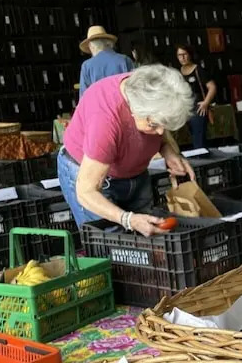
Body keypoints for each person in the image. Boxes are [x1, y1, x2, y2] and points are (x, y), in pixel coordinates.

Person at [57, 65, 196, 236]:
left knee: (149, 234)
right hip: (91, 179)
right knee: (113, 242)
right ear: (134, 111)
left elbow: (160, 123)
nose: (161, 132)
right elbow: (86, 191)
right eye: (154, 125)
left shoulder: (149, 86)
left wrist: (168, 150)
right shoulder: (105, 120)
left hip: (134, 171)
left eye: (164, 125)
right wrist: (128, 219)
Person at [175, 44, 217, 149]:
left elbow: (212, 87)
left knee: (199, 140)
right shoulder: (178, 72)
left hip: (197, 108)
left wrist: (206, 102)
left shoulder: (198, 70)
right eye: (179, 55)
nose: (182, 58)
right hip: (184, 108)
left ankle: (202, 157)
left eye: (184, 54)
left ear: (190, 55)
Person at [78, 25, 135, 98]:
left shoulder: (86, 66)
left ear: (91, 46)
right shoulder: (125, 60)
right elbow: (135, 88)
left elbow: (84, 97)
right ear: (108, 43)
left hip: (99, 104)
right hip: (122, 103)